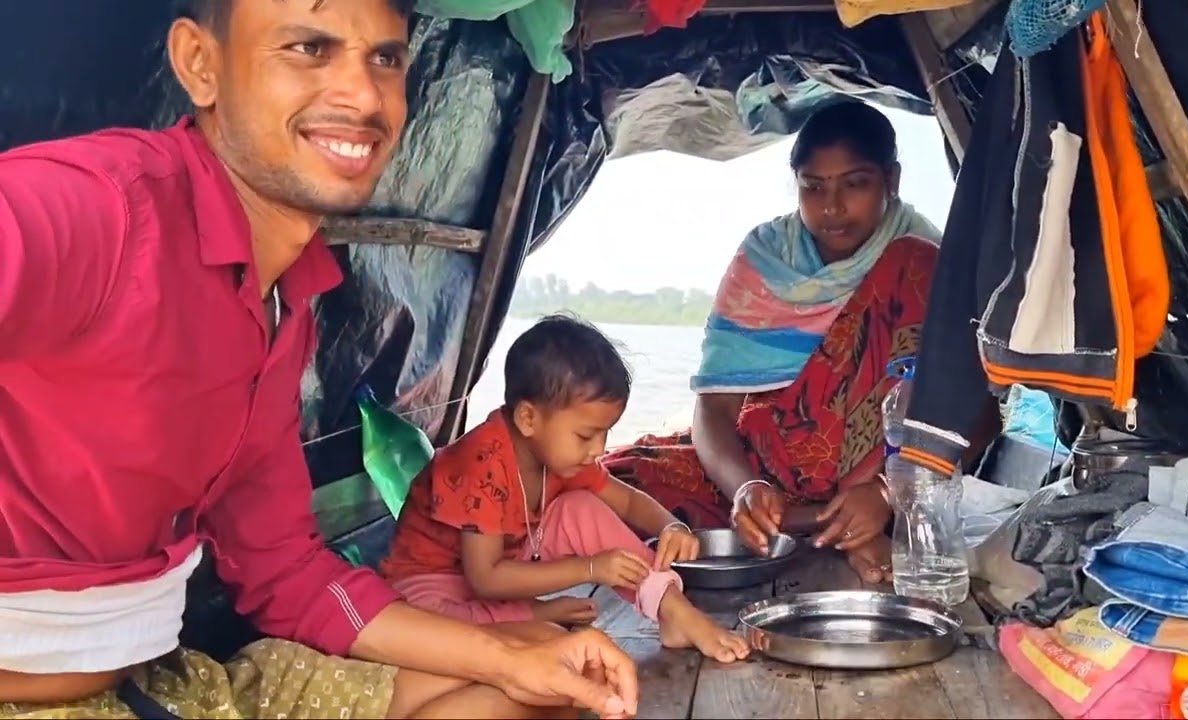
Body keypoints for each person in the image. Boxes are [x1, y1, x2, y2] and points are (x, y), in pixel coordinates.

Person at [0, 1, 637, 718]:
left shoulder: (281, 309)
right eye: (308, 47)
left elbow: (285, 571)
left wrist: (512, 653)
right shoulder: (100, 212)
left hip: (162, 682)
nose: (363, 96)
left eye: (386, 59)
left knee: (536, 694)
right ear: (199, 65)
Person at [601, 101, 942, 585]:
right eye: (813, 187)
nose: (832, 207)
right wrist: (746, 486)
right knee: (606, 482)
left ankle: (848, 521)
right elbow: (715, 409)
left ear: (892, 180)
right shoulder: (765, 256)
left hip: (875, 485)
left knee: (915, 262)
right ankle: (811, 524)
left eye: (856, 183)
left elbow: (973, 412)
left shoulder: (921, 258)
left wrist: (887, 493)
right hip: (763, 472)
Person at [381, 315, 751, 664]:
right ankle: (529, 613)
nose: (598, 449)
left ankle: (673, 610)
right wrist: (590, 568)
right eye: (586, 435)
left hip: (498, 571)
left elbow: (625, 500)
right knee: (460, 633)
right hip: (430, 588)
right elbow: (486, 578)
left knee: (580, 507)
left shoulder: (557, 455)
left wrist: (672, 526)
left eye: (605, 433)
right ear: (528, 418)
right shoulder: (482, 464)